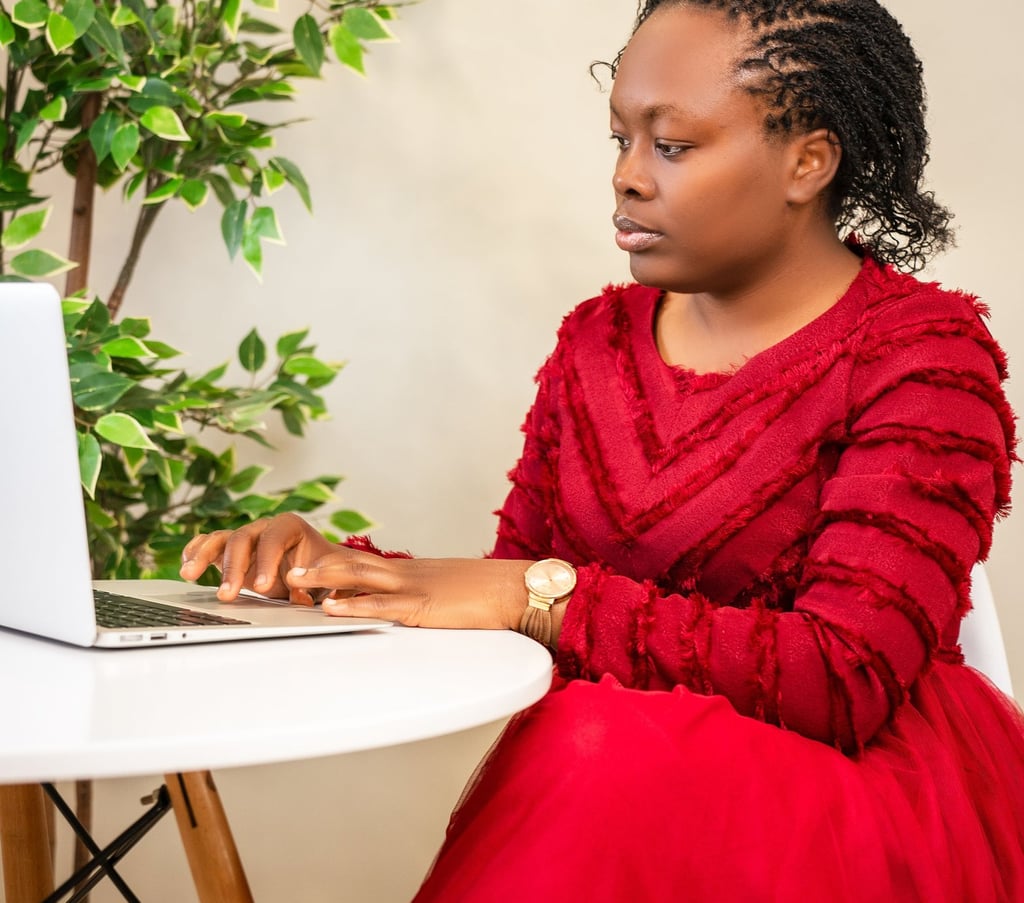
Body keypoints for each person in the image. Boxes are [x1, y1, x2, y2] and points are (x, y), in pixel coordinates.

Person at [180, 0, 1024, 899]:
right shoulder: (598, 340)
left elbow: (840, 678)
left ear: (806, 162)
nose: (627, 177)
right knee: (599, 746)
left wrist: (535, 596)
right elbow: (519, 596)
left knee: (599, 745)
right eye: (621, 139)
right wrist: (341, 576)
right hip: (614, 791)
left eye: (673, 146)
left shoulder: (921, 357)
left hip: (845, 808)